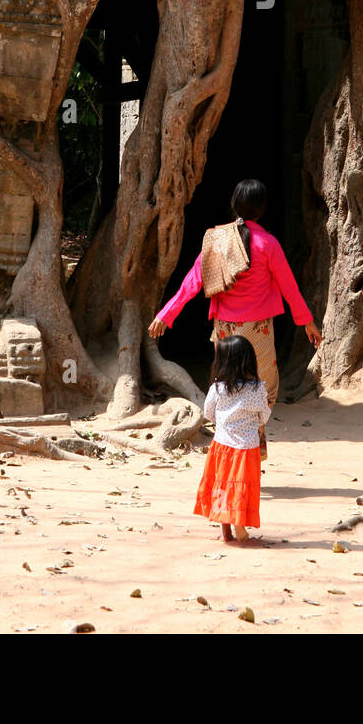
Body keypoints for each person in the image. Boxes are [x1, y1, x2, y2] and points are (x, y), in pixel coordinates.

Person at [148, 178, 321, 457]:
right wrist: (306, 322)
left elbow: (193, 281)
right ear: (262, 209)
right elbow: (289, 286)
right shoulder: (269, 244)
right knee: (263, 388)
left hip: (226, 330)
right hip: (259, 331)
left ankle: (227, 445)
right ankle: (255, 441)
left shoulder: (217, 241)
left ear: (234, 205)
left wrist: (166, 315)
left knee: (227, 385)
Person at [193, 334, 271, 543]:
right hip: (246, 449)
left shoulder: (216, 388)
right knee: (241, 485)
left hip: (221, 446)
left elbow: (208, 414)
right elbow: (264, 415)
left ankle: (226, 530)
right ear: (249, 360)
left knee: (222, 485)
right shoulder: (257, 388)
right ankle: (241, 528)